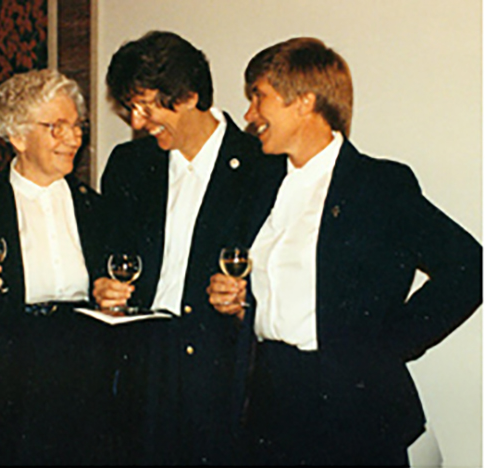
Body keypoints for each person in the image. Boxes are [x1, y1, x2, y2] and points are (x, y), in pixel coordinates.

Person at [208, 37, 483, 466]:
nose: (249, 114)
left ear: (305, 102)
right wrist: (243, 305)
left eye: (259, 98)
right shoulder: (261, 184)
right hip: (269, 401)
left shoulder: (378, 186)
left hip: (350, 411)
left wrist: (391, 343)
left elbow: (470, 267)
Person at [94, 31, 284, 465]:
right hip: (140, 367)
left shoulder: (264, 167)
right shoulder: (128, 166)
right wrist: (104, 288)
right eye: (131, 108)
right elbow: (108, 259)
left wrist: (243, 299)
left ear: (189, 96)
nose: (137, 122)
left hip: (220, 373)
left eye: (147, 106)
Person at [0, 69, 114, 466]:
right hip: (4, 389)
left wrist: (112, 298)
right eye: (56, 127)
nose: (73, 138)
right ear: (17, 137)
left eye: (77, 125)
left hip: (82, 386)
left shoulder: (97, 209)